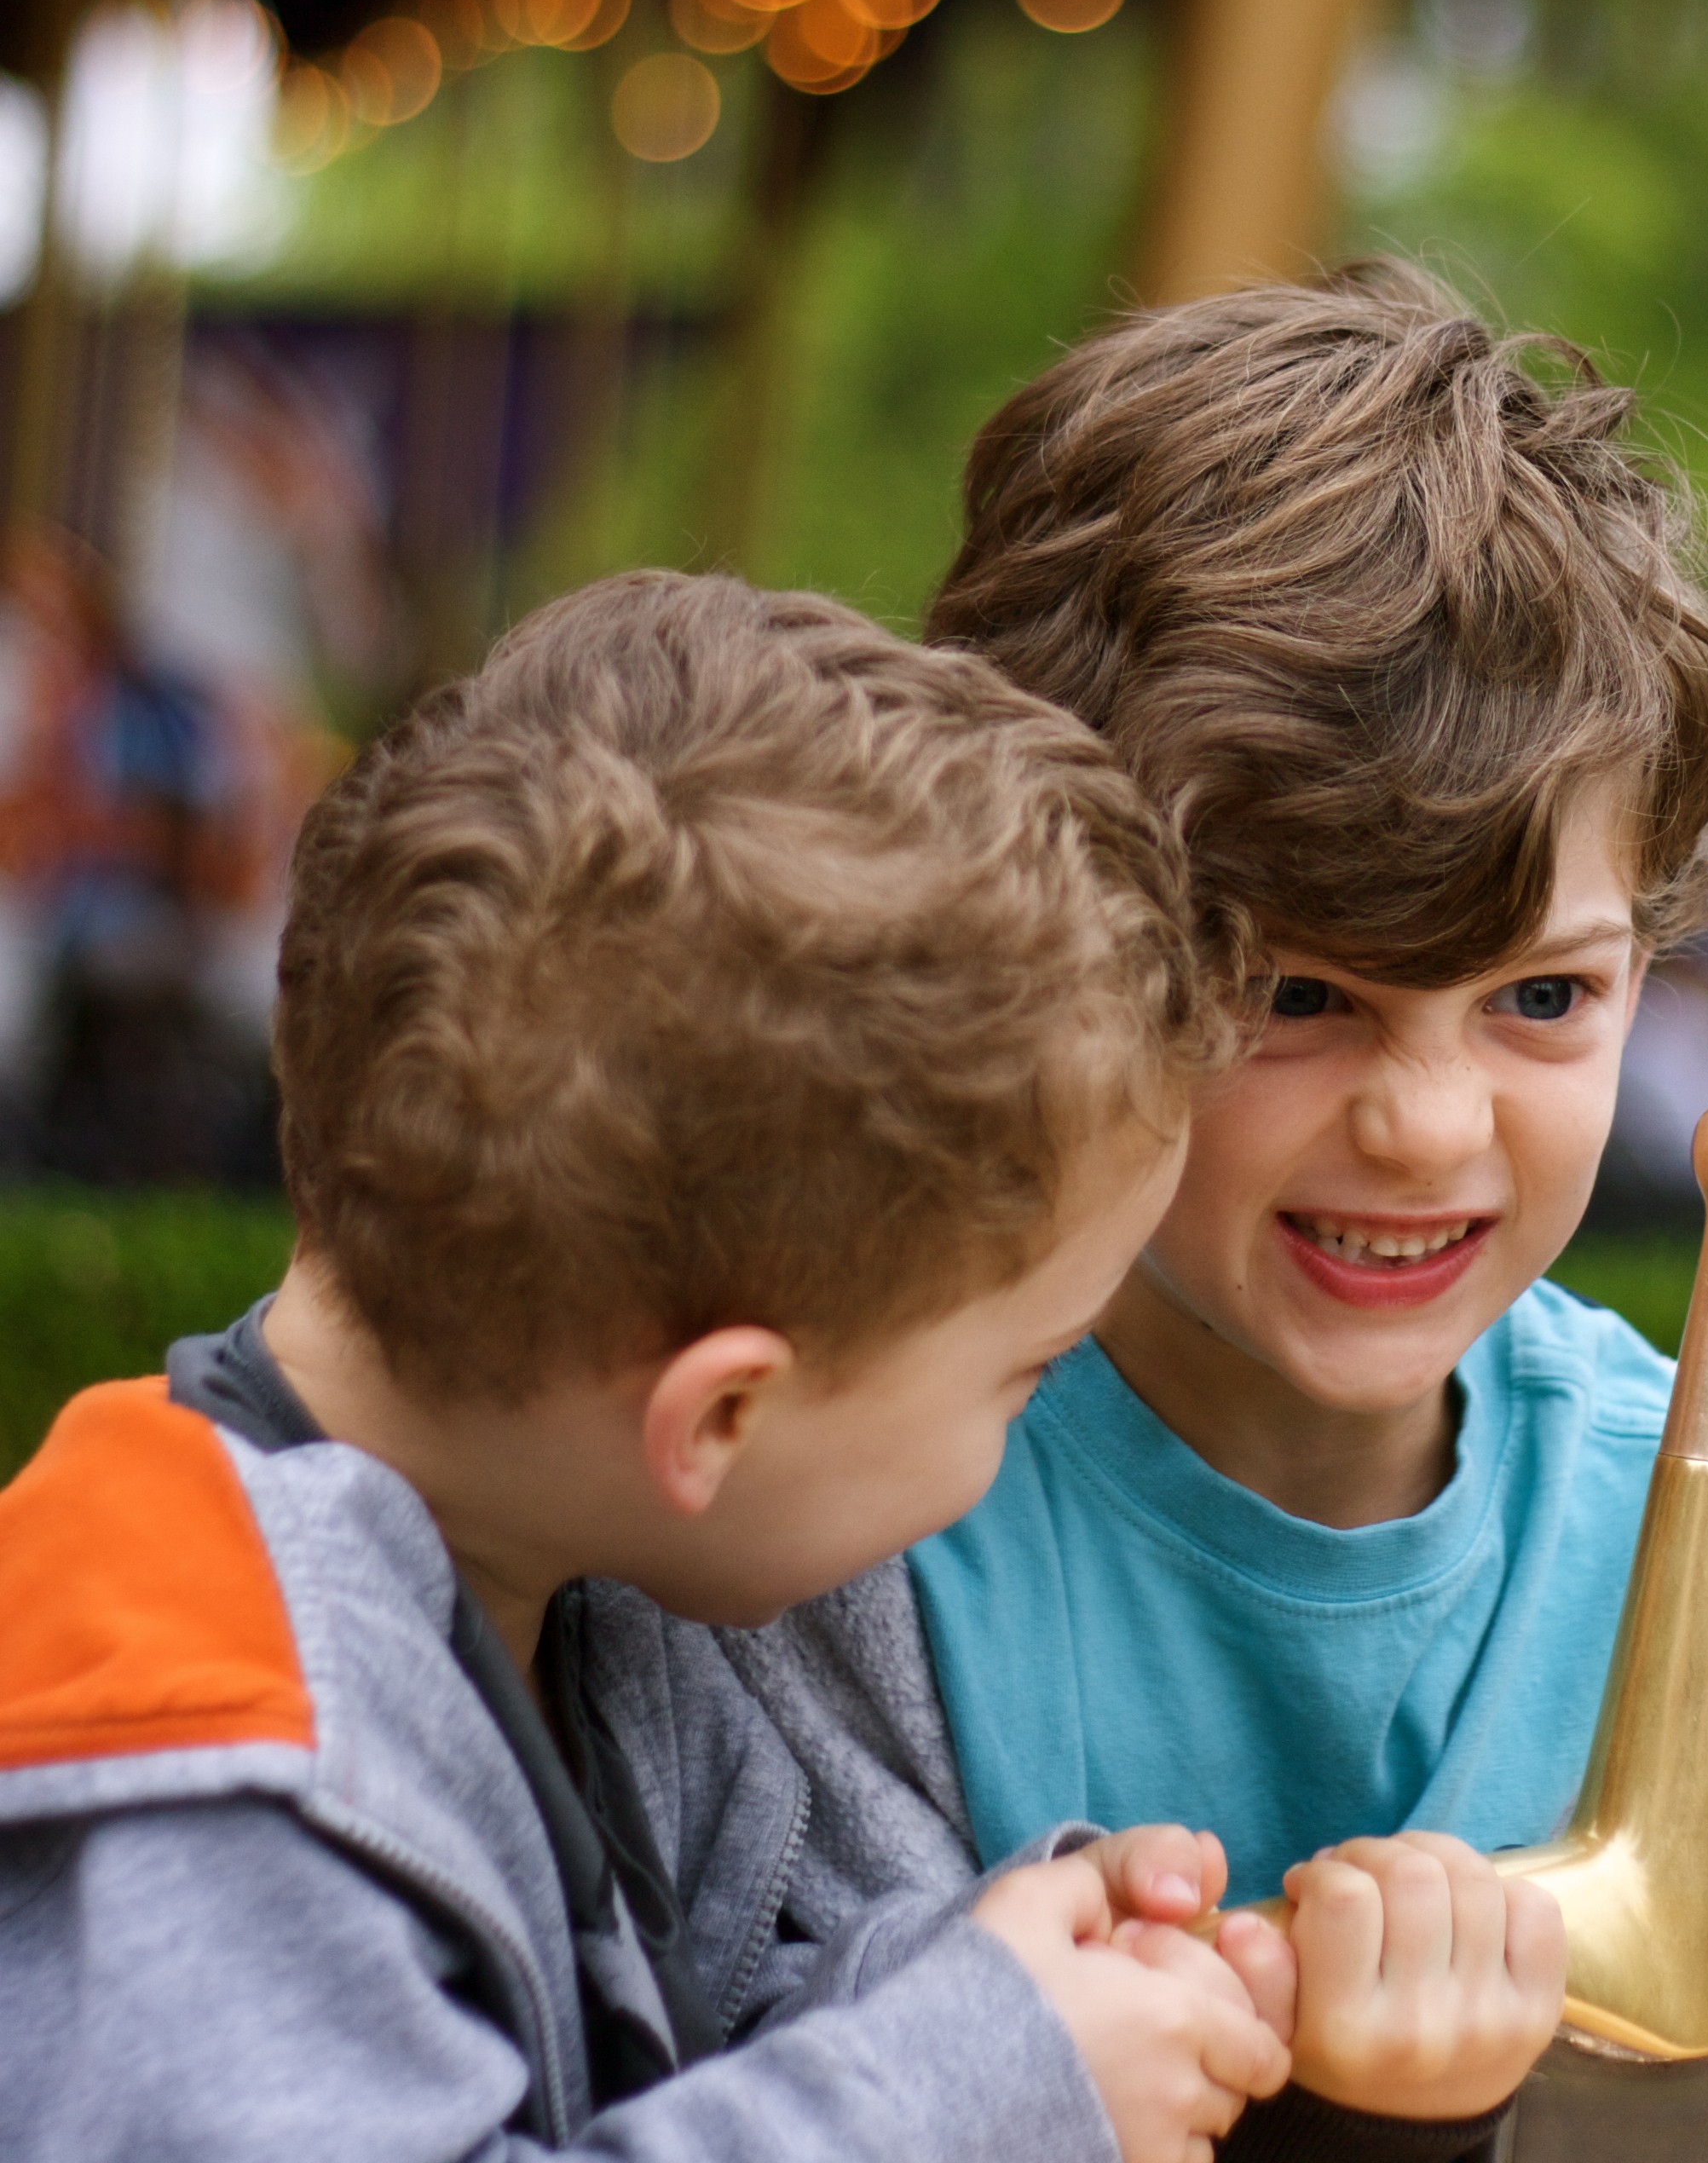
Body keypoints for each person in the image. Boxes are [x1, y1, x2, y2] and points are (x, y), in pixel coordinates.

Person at [725, 266, 1708, 2163]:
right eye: (1294, 994)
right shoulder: (848, 1519)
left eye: (1542, 999)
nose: (1427, 1131)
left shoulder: (1653, 1532)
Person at [0, 569, 1313, 2163]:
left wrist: (1004, 1982)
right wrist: (983, 2094)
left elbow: (691, 2050)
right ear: (722, 1415)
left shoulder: (558, 1583)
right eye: (1028, 1373)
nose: (1029, 1423)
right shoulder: (205, 1756)